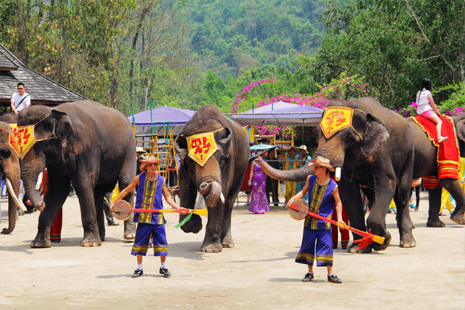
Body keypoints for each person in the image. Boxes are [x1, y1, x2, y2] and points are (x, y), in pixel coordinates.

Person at [112, 155, 186, 278]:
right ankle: (139, 268)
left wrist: (178, 208)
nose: (153, 167)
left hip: (157, 217)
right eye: (150, 165)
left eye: (155, 164)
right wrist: (115, 201)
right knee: (140, 243)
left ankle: (163, 267)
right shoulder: (139, 178)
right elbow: (126, 190)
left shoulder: (162, 180)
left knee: (162, 242)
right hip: (143, 217)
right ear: (145, 167)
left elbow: (167, 197)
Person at [287, 156, 344, 284]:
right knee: (308, 246)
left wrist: (340, 219)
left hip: (324, 222)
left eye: (317, 167)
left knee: (327, 246)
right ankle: (310, 272)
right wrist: (293, 199)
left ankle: (330, 274)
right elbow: (302, 192)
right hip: (309, 220)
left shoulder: (333, 186)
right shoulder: (310, 179)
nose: (314, 168)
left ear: (324, 169)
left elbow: (338, 203)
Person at [416, 78, 448, 143]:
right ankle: (439, 137)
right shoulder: (428, 92)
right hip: (426, 111)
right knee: (439, 122)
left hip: (419, 112)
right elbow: (432, 103)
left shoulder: (419, 92)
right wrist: (437, 112)